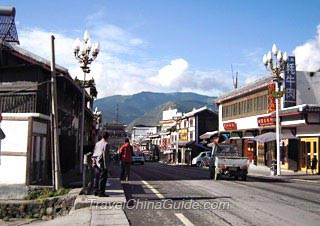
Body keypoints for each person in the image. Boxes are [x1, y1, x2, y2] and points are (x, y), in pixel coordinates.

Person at [92, 132, 110, 197]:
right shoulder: (106, 144)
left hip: (96, 162)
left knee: (96, 177)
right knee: (102, 178)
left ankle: (95, 191)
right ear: (107, 137)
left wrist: (93, 161)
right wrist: (106, 166)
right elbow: (105, 156)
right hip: (102, 162)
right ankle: (101, 192)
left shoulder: (97, 143)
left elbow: (94, 153)